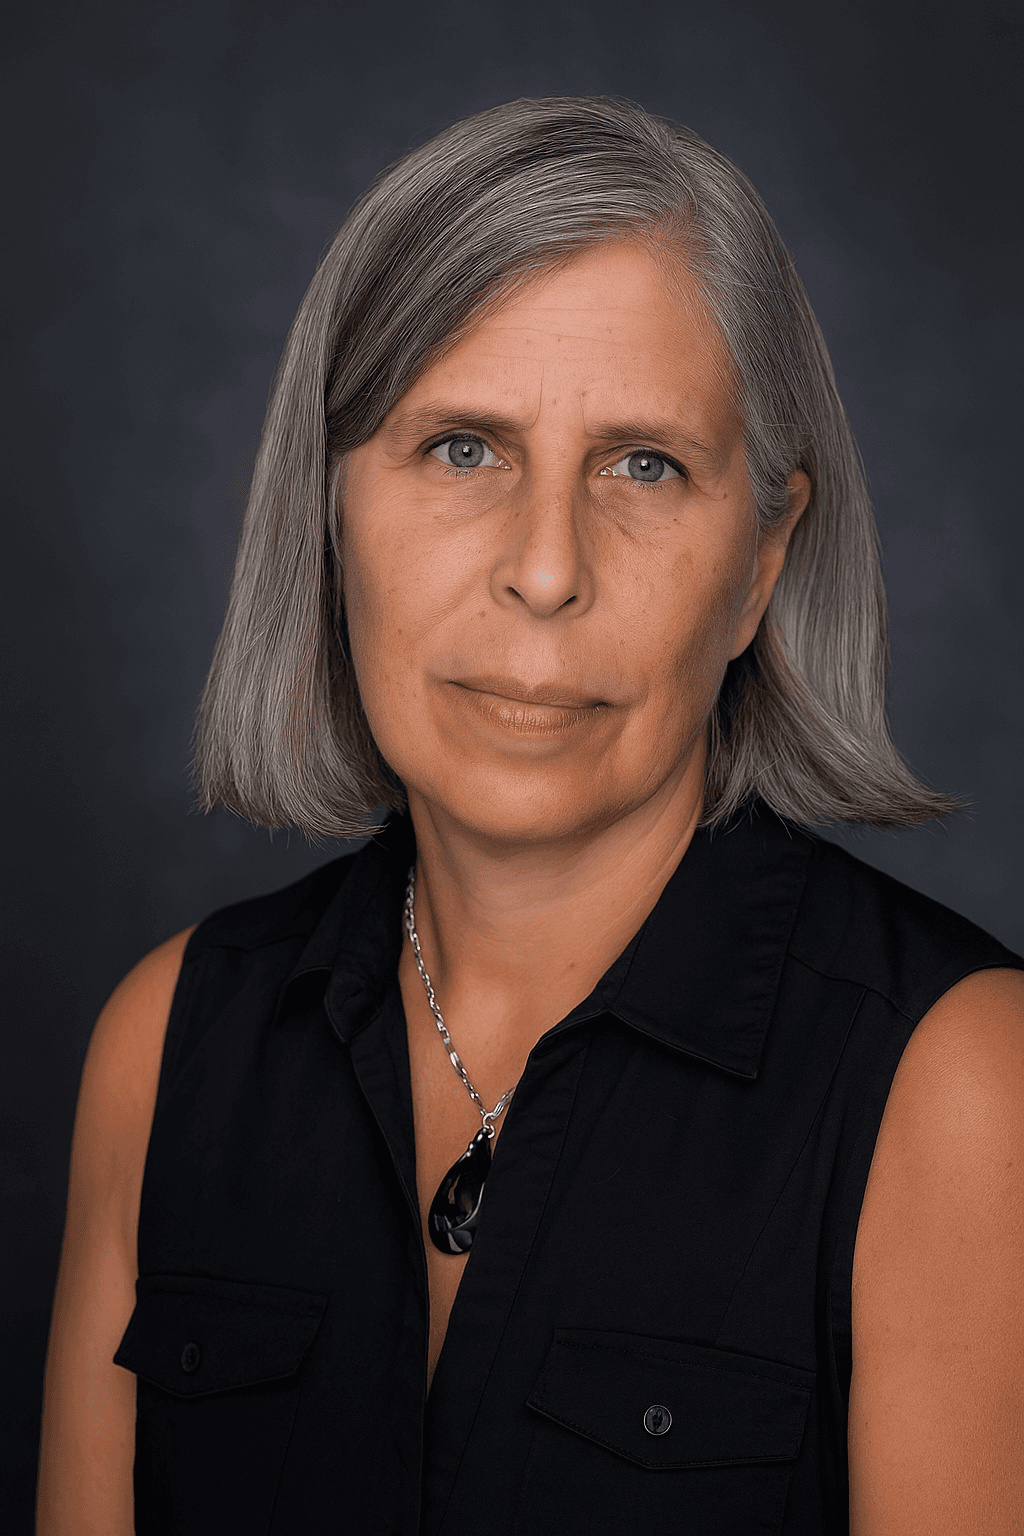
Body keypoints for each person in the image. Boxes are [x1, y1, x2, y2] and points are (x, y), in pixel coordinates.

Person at [37, 96, 1023, 1535]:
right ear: (329, 514)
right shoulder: (164, 1047)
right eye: (459, 450)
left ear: (759, 565)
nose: (546, 570)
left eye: (644, 465)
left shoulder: (964, 1088)